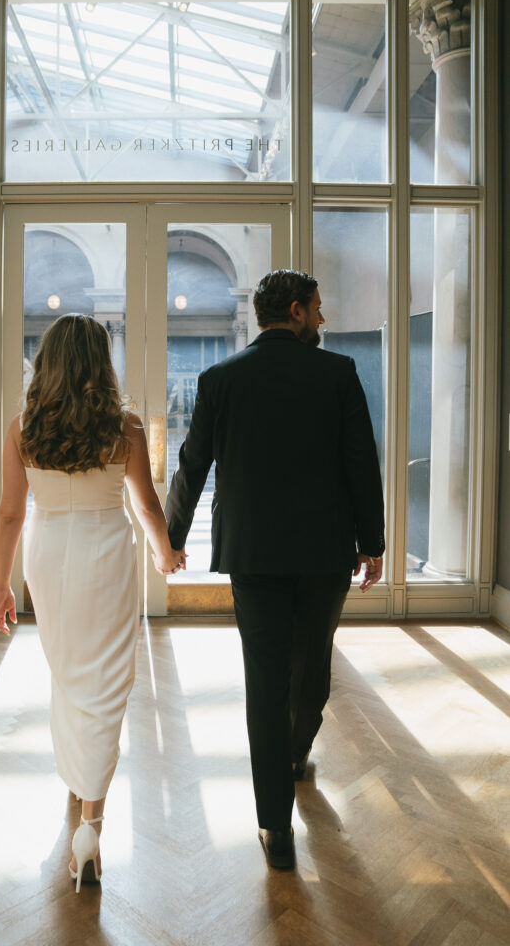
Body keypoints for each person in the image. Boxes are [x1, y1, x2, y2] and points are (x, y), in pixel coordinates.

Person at [165, 269, 384, 871]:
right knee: (312, 666)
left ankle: (274, 826)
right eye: (317, 308)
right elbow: (360, 460)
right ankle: (294, 751)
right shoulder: (337, 374)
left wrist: (171, 537)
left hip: (253, 556)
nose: (322, 318)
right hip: (323, 553)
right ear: (294, 310)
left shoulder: (220, 379)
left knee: (264, 683)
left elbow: (192, 464)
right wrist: (373, 541)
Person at [0, 314, 183, 892]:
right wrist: (165, 554)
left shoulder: (23, 428)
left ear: (46, 362)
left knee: (68, 673)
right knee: (105, 684)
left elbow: (9, 515)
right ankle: (91, 827)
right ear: (101, 362)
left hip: (48, 555)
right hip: (106, 552)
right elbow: (147, 506)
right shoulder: (122, 427)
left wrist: (1, 585)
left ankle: (77, 786)